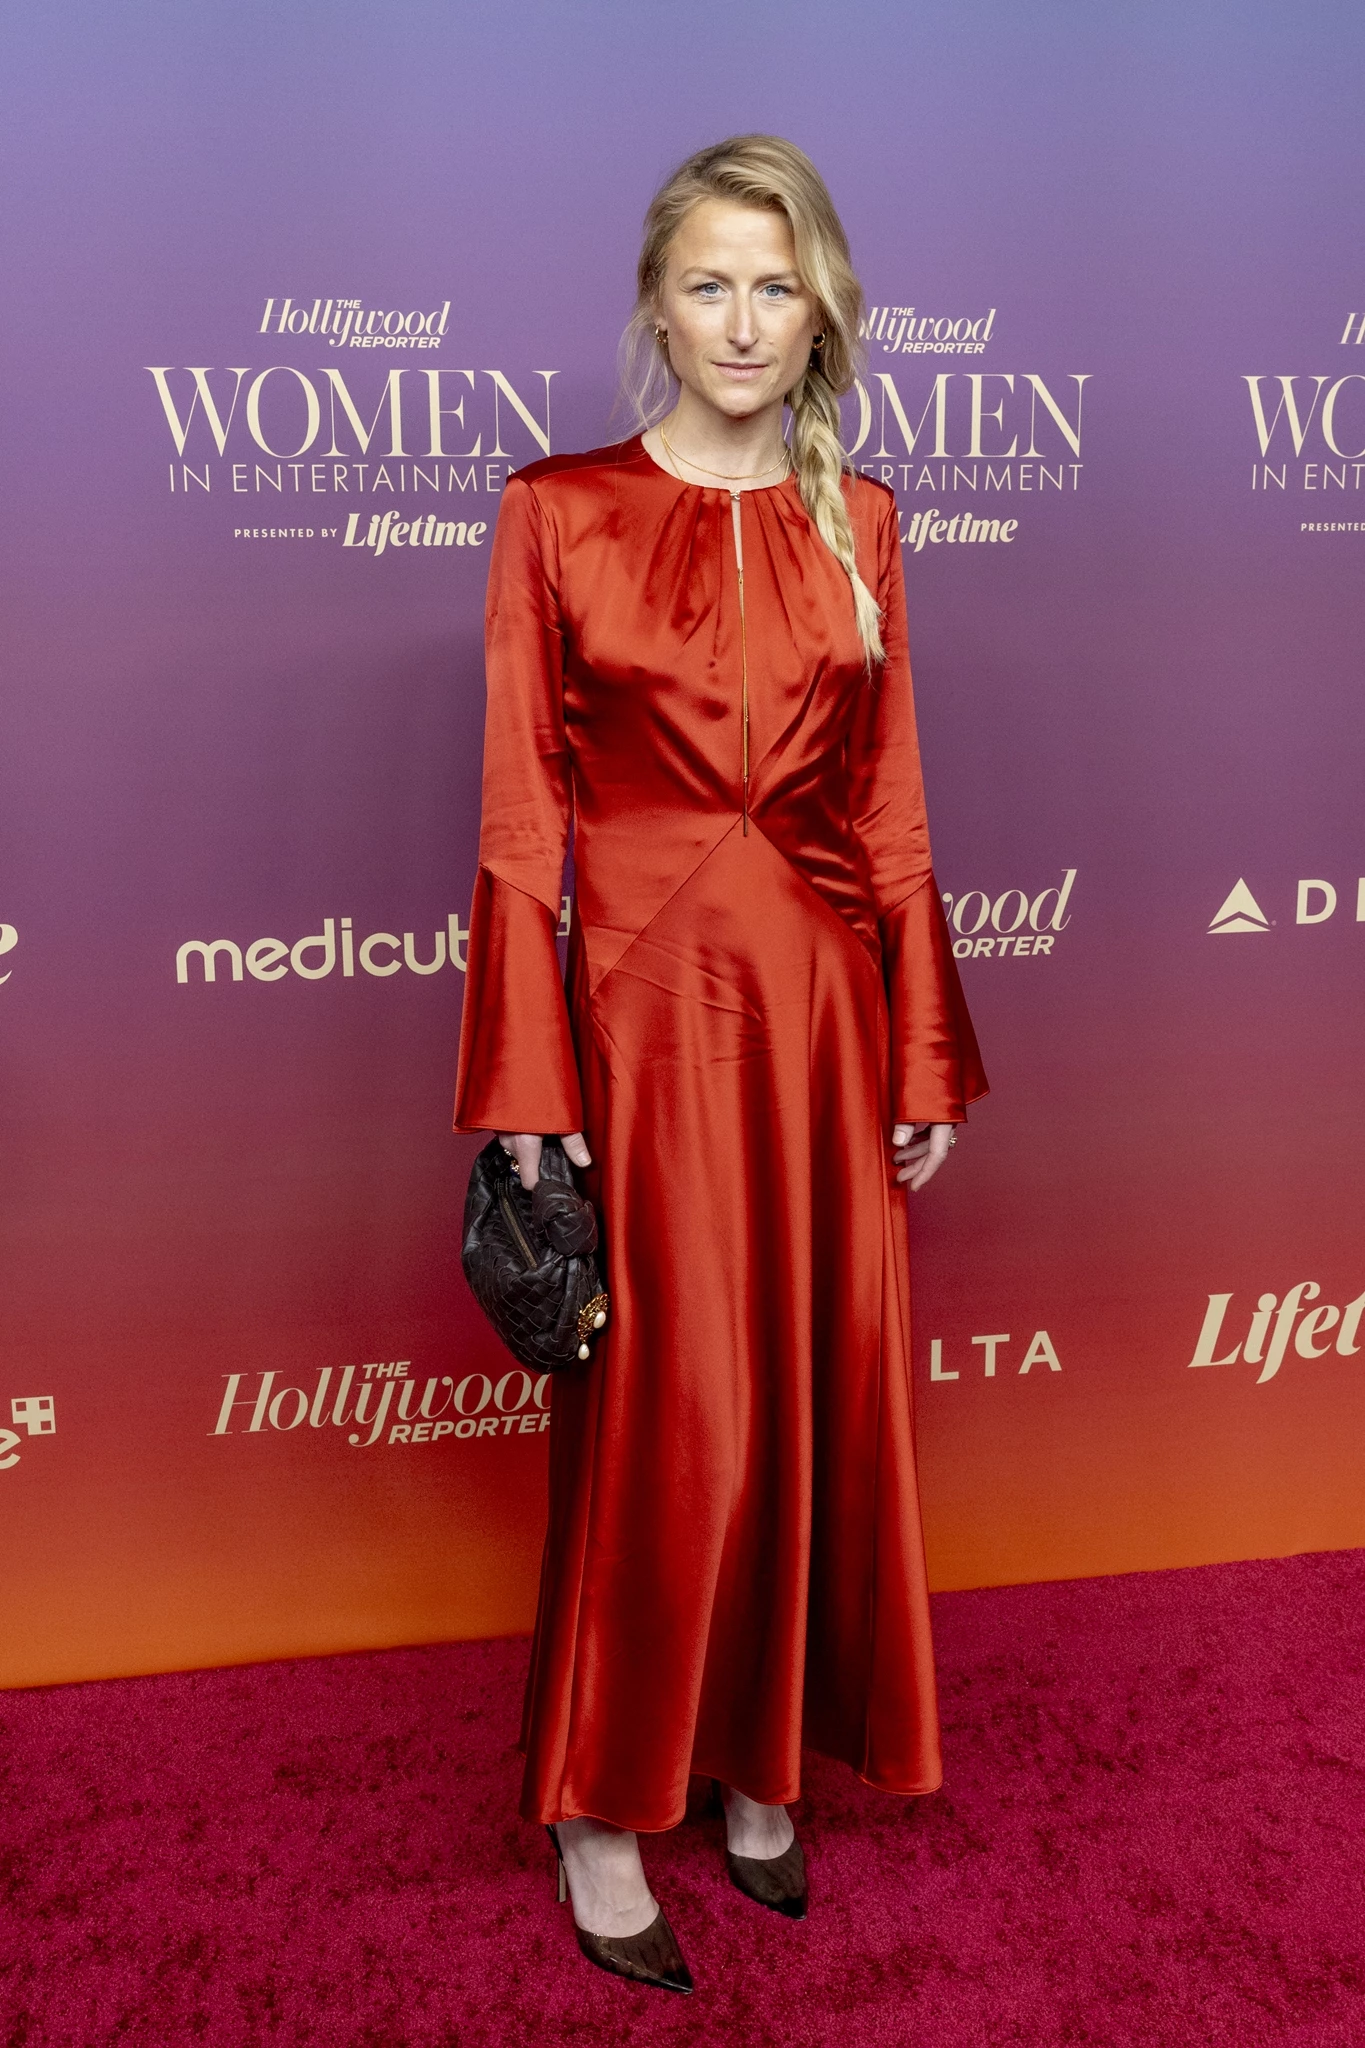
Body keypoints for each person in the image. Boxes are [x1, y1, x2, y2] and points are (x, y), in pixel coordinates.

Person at [453, 134, 987, 1994]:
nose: (744, 322)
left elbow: (897, 815)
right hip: (647, 1035)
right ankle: (606, 1807)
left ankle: (764, 1763)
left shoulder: (874, 519)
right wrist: (530, 1098)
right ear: (654, 306)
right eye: (710, 283)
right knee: (670, 1416)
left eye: (779, 284)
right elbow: (525, 831)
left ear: (820, 304)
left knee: (817, 1403)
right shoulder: (558, 512)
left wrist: (922, 1049)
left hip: (829, 1025)